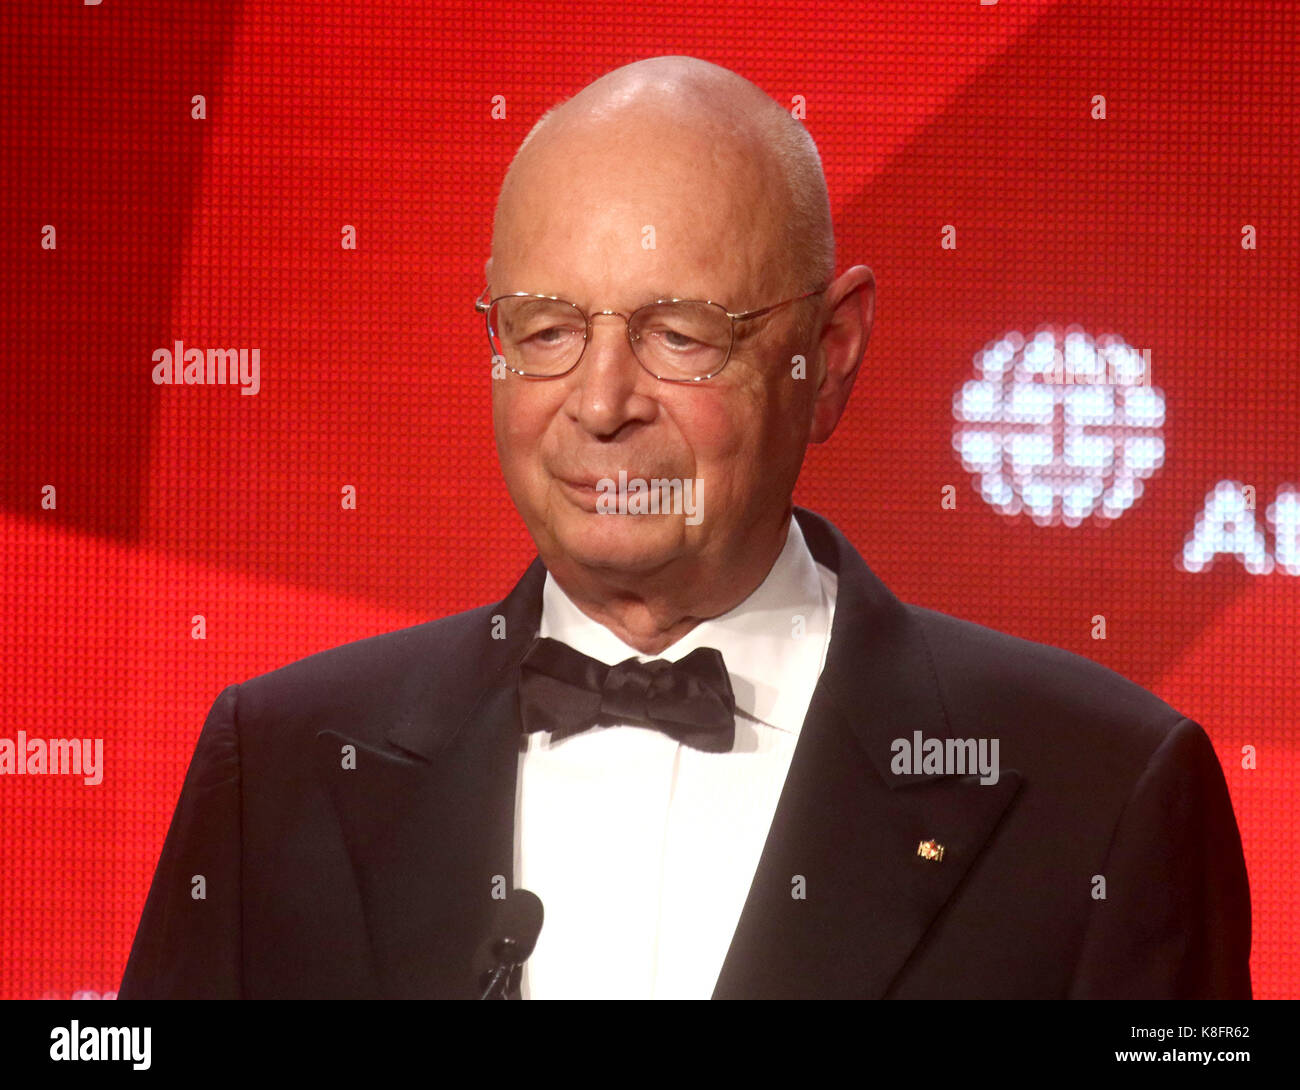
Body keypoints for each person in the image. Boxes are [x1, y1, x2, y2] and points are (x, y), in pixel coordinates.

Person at [118, 55, 1250, 999]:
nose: (601, 404)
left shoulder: (1099, 791)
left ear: (831, 352)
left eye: (680, 333)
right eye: (548, 328)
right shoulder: (278, 769)